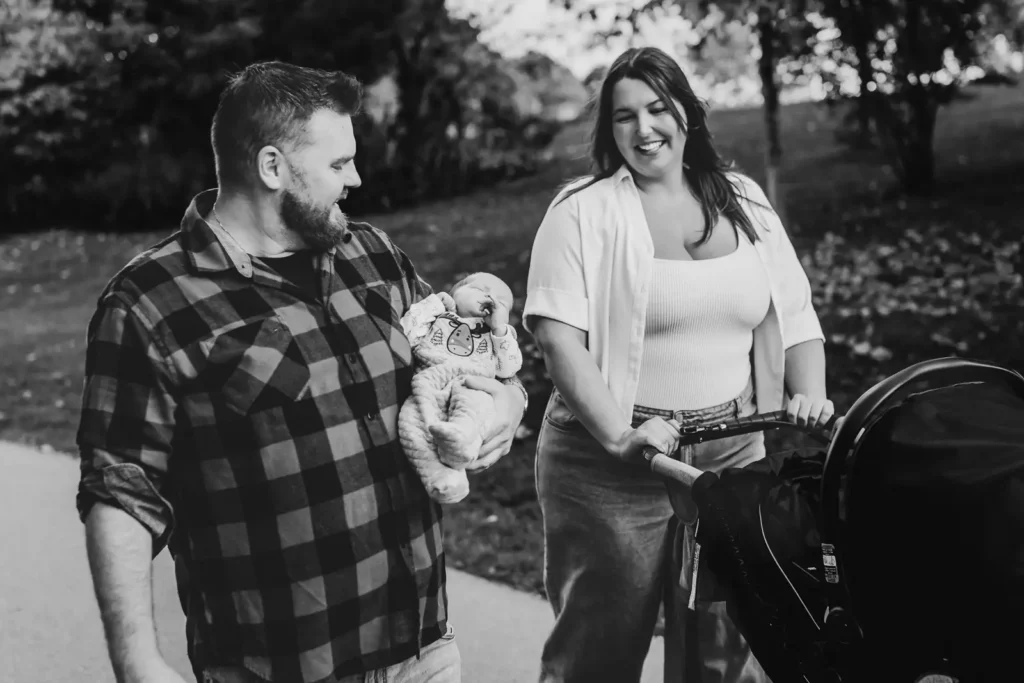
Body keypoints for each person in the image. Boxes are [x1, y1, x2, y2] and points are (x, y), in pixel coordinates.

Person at [75, 61, 528, 683]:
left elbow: (463, 363)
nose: (357, 178)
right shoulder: (150, 302)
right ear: (271, 168)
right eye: (339, 165)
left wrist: (506, 407)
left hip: (423, 650)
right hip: (280, 667)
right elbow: (121, 490)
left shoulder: (373, 257)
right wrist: (138, 662)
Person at [522, 46, 833, 683]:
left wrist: (809, 393)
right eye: (624, 116)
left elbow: (795, 313)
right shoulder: (581, 211)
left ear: (687, 113)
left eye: (658, 109)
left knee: (718, 653)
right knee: (596, 655)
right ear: (609, 131)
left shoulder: (744, 199)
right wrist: (620, 434)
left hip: (729, 451)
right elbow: (559, 342)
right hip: (607, 463)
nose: (643, 129)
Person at [398, 272, 524, 504]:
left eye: (502, 302)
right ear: (456, 291)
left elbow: (508, 369)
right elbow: (403, 334)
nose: (491, 298)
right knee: (410, 424)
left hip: (471, 385)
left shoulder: (498, 335)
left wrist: (500, 330)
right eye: (481, 289)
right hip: (427, 383)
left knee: (473, 410)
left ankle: (460, 441)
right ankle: (441, 476)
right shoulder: (439, 317)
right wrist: (433, 305)